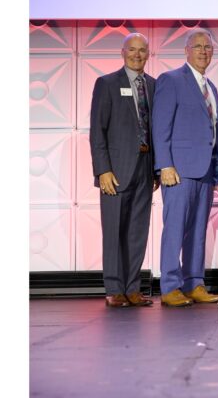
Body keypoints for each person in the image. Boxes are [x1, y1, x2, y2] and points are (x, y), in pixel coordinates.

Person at [152, 28, 218, 307]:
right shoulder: (170, 80)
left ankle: (195, 283)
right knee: (175, 228)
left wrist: (216, 170)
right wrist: (164, 165)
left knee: (197, 230)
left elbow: (214, 131)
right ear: (186, 50)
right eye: (198, 46)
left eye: (208, 47)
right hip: (179, 171)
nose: (204, 51)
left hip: (206, 170)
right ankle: (170, 285)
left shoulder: (211, 87)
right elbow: (161, 126)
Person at [90, 33, 158, 307]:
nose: (137, 55)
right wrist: (102, 170)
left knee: (137, 231)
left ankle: (132, 288)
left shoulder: (154, 86)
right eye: (132, 50)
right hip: (115, 170)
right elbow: (98, 131)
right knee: (114, 229)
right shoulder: (106, 84)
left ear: (149, 54)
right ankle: (114, 288)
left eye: (143, 50)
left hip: (145, 166)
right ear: (123, 52)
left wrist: (156, 169)